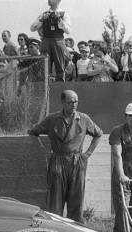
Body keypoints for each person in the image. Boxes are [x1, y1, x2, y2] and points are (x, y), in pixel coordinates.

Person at [28, 90, 103, 223]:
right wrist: (44, 151)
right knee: (55, 201)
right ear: (63, 103)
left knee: (76, 200)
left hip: (77, 162)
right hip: (58, 161)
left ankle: (75, 230)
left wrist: (87, 154)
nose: (74, 104)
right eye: (70, 102)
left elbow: (98, 134)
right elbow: (33, 132)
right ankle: (55, 230)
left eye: (76, 101)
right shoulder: (52, 119)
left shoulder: (84, 119)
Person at [110, 103, 132, 232]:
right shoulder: (118, 131)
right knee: (122, 208)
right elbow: (117, 155)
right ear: (125, 117)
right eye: (131, 116)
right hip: (123, 173)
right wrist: (121, 174)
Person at [30, 0, 70, 81]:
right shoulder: (44, 14)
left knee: (60, 65)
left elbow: (68, 31)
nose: (49, 0)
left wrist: (59, 20)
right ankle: (45, 87)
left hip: (58, 41)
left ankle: (60, 85)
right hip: (46, 41)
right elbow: (32, 28)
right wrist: (41, 20)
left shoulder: (64, 14)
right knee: (45, 65)